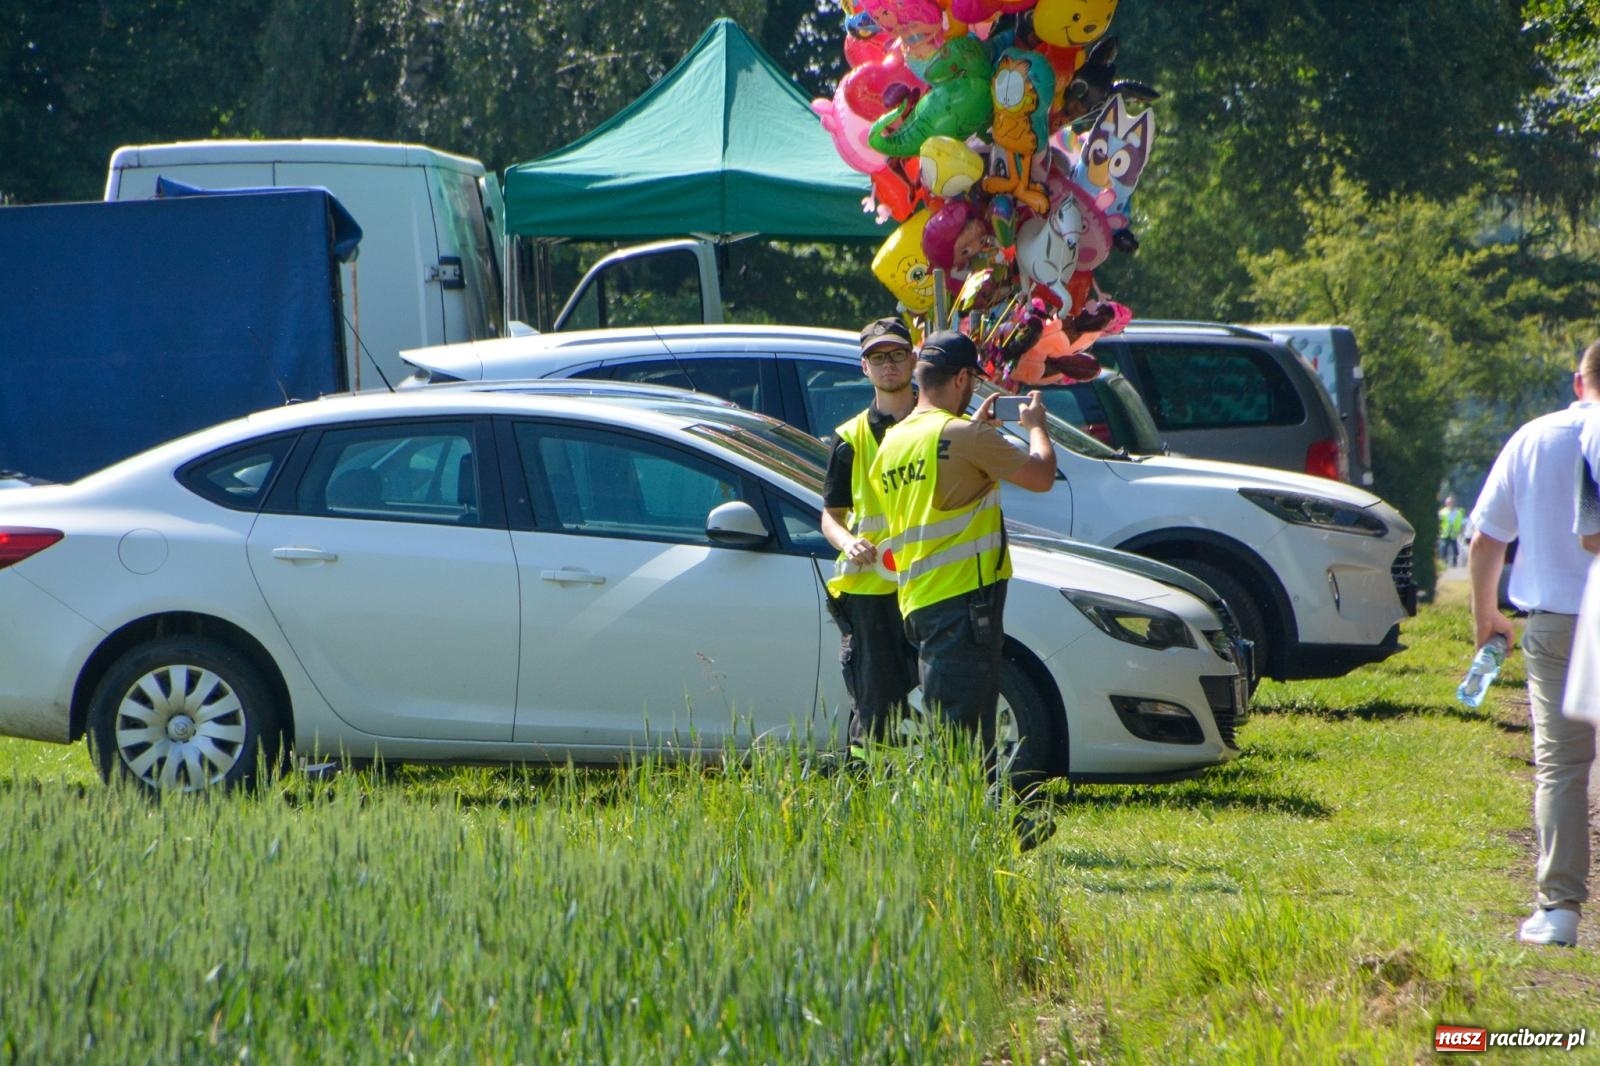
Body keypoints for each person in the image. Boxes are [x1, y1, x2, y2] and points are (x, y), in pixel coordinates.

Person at [867, 330, 1058, 846]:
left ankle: (996, 828)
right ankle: (956, 842)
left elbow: (939, 491)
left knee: (964, 724)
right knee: (962, 735)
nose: (973, 388)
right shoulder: (964, 437)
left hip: (920, 600)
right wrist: (1036, 428)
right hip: (965, 602)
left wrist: (975, 433)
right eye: (971, 380)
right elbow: (1041, 476)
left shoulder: (894, 443)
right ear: (960, 378)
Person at [1467, 340, 1600, 947]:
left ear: (1579, 381)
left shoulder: (1533, 437)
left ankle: (1560, 908)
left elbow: (1487, 538)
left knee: (1562, 767)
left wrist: (1486, 614)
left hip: (1557, 623)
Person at [820, 317, 921, 750]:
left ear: (914, 360)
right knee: (875, 702)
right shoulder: (849, 438)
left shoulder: (940, 425)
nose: (889, 366)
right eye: (877, 358)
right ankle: (872, 794)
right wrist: (848, 541)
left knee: (934, 695)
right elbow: (831, 515)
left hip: (931, 581)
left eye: (897, 355)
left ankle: (938, 792)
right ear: (864, 368)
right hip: (871, 592)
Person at [1437, 496, 1465, 567]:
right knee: (1443, 549)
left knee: (1455, 550)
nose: (1450, 504)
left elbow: (1461, 523)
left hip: (1454, 534)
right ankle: (1443, 563)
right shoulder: (1442, 512)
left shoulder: (1458, 513)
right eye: (1448, 502)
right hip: (1444, 534)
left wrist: (1461, 532)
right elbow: (1439, 523)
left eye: (1451, 502)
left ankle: (1454, 564)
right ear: (1446, 503)